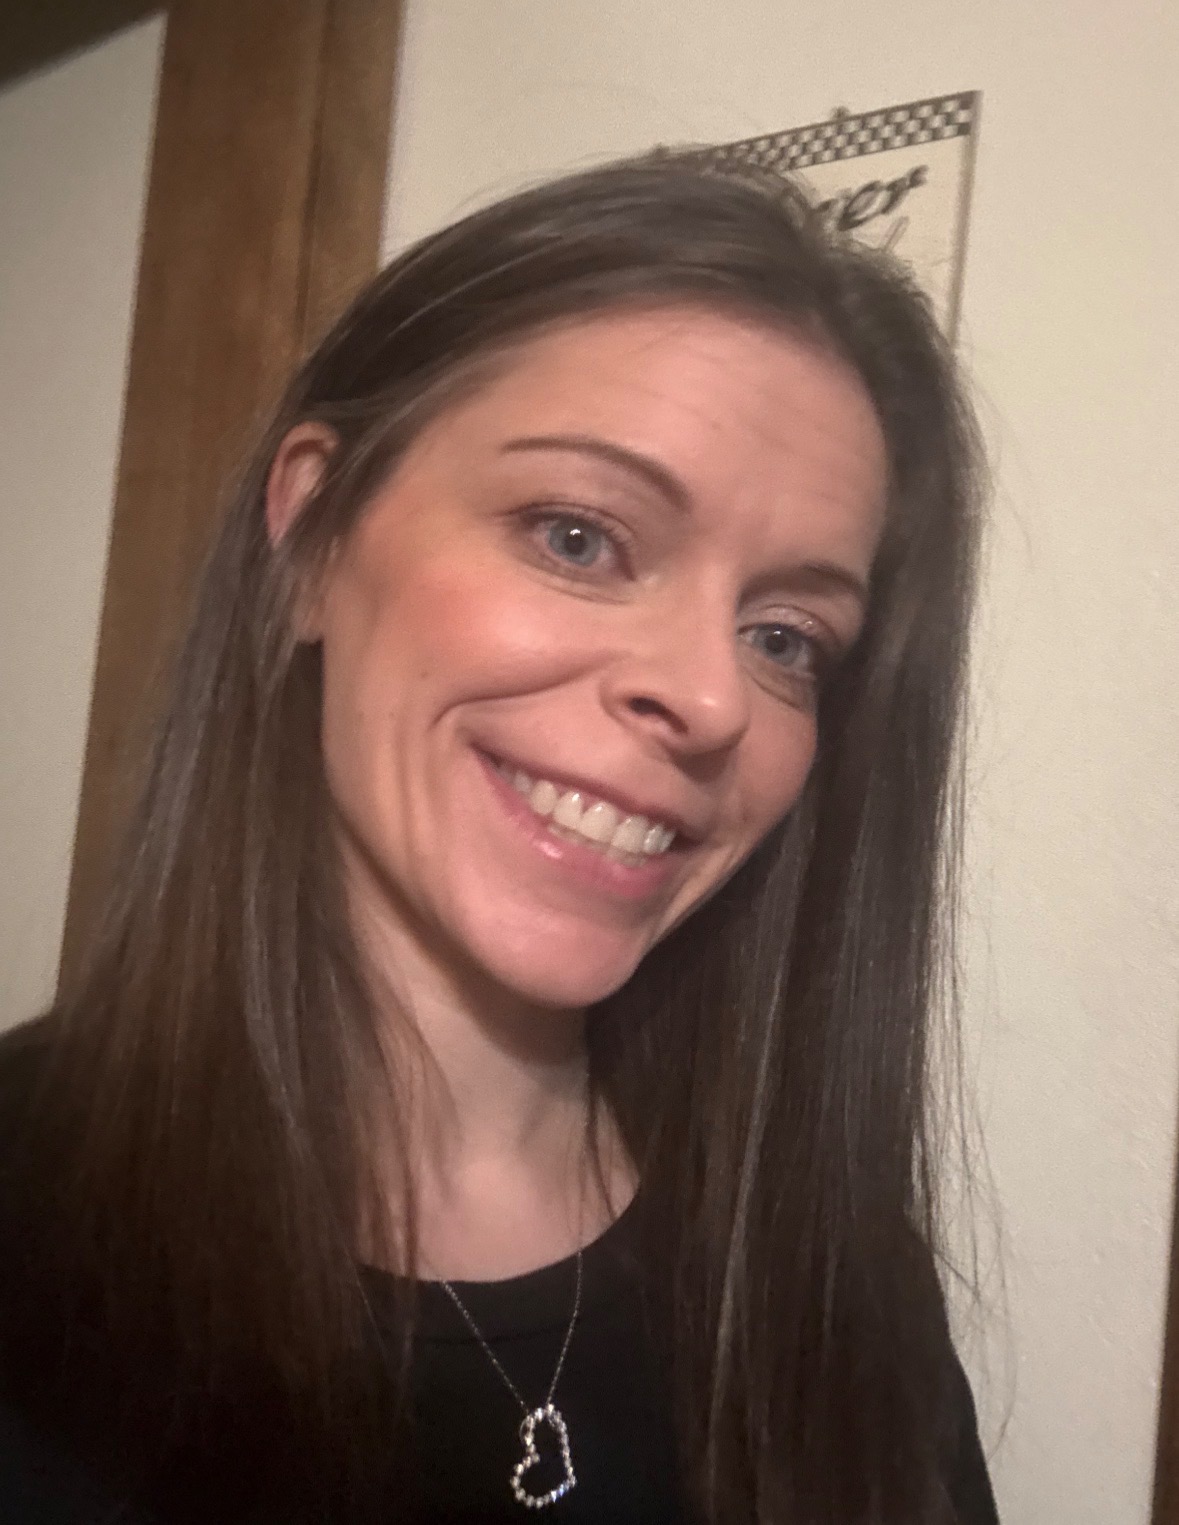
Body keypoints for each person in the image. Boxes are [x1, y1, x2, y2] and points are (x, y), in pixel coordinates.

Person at [0, 154, 997, 1523]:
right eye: (578, 537)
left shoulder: (832, 1273)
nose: (711, 698)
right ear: (313, 538)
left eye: (784, 638)